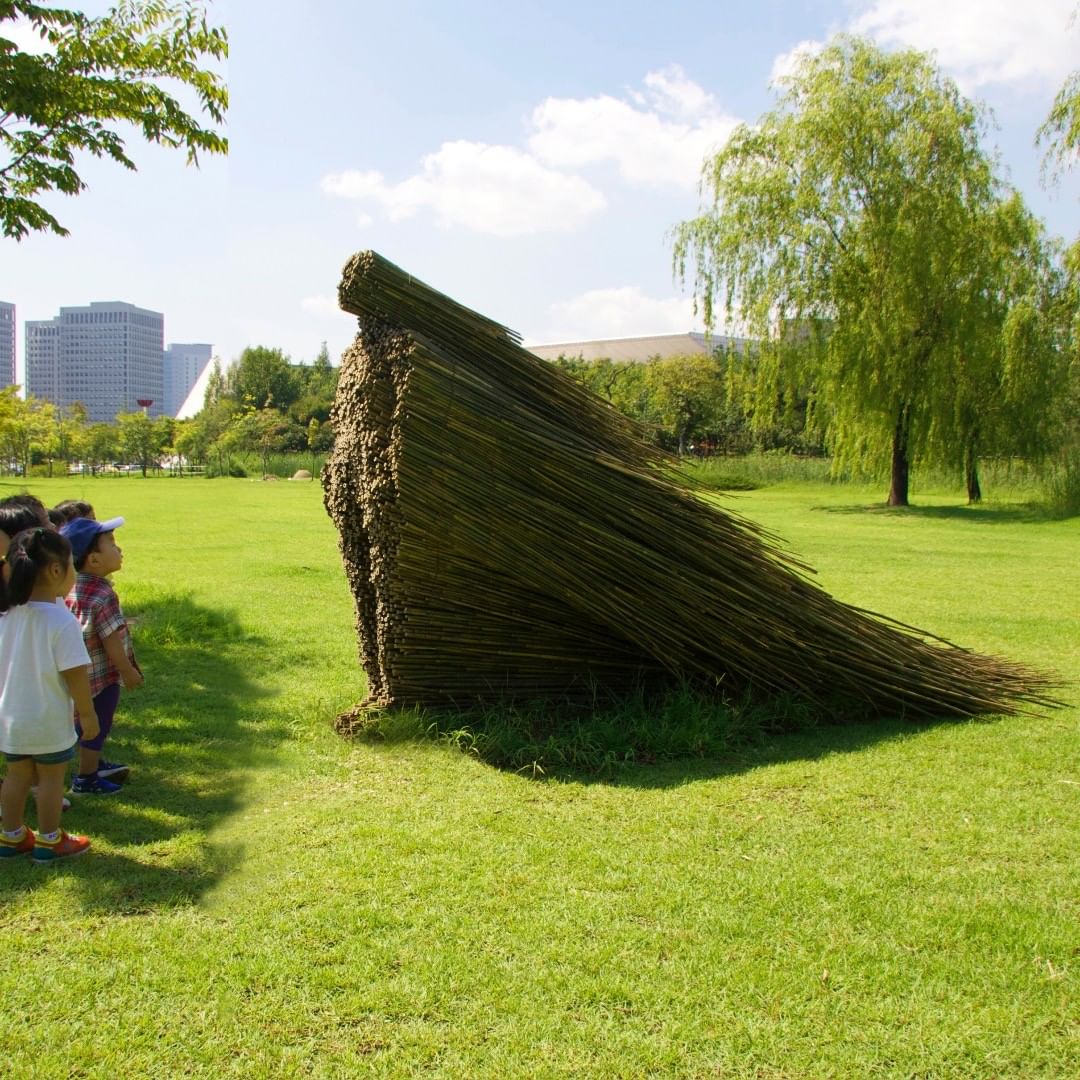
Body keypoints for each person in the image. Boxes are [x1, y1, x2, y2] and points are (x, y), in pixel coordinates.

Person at [0, 528, 95, 863]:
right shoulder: (61, 620)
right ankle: (50, 839)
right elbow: (75, 674)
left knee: (17, 776)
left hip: (11, 719)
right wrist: (88, 714)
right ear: (57, 571)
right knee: (51, 780)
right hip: (47, 720)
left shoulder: (7, 616)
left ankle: (10, 836)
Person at [60, 516, 142, 794]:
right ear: (94, 560)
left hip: (72, 674)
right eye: (112, 544)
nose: (120, 550)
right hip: (100, 676)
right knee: (98, 723)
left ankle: (91, 764)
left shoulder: (68, 587)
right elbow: (111, 640)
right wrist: (127, 671)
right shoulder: (102, 594)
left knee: (82, 724)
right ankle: (86, 778)